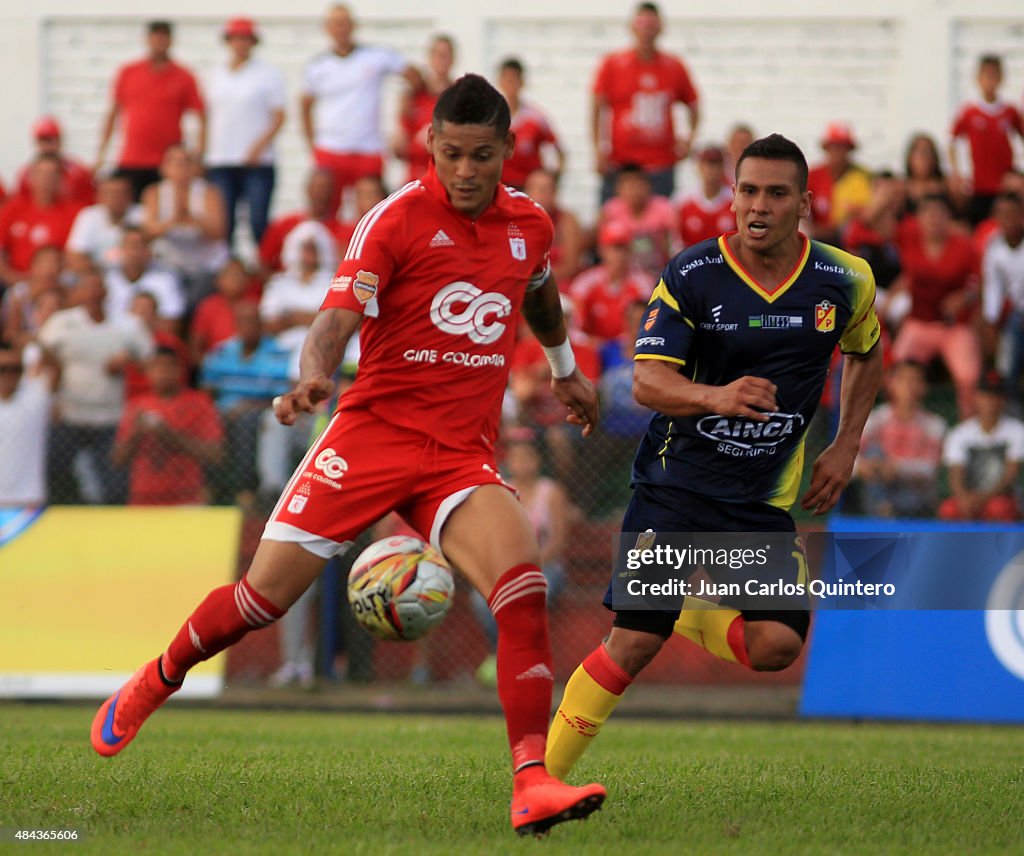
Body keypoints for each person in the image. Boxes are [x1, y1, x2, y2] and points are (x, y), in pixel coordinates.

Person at [90, 73, 606, 837]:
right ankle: (156, 677)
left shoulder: (529, 224)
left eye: (483, 156)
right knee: (260, 602)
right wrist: (314, 375)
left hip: (459, 455)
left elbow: (537, 290)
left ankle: (530, 782)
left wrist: (564, 369)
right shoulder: (393, 220)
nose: (466, 171)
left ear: (507, 153)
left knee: (522, 583)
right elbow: (337, 316)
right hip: (370, 439)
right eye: (453, 154)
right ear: (429, 145)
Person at [545, 134, 882, 780]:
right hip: (676, 485)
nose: (759, 206)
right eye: (748, 191)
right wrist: (713, 396)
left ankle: (690, 613)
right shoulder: (693, 275)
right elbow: (646, 381)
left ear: (804, 203)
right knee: (635, 641)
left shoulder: (844, 279)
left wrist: (845, 444)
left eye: (776, 194)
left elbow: (867, 351)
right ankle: (540, 782)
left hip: (758, 499)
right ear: (731, 198)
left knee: (778, 644)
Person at [38, 268, 154, 504]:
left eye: (97, 286)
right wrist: (52, 397)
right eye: (87, 287)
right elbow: (42, 357)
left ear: (107, 292)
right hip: (69, 414)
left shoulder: (127, 325)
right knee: (57, 475)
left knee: (113, 484)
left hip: (110, 417)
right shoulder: (62, 323)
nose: (93, 292)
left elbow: (152, 361)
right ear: (78, 292)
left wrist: (127, 362)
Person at [301, 4, 423, 218]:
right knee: (326, 213)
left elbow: (414, 78)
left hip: (368, 148)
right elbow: (305, 105)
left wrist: (404, 115)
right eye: (336, 24)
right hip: (331, 148)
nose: (341, 29)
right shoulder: (317, 66)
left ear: (354, 26)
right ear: (327, 29)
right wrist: (313, 144)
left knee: (373, 212)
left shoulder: (376, 56)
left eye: (345, 23)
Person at [592, 2, 700, 202]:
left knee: (659, 223)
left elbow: (693, 105)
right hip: (621, 163)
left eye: (652, 24)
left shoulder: (674, 66)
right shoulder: (613, 65)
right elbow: (597, 107)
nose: (646, 30)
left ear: (660, 28)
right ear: (632, 27)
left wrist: (689, 139)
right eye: (642, 23)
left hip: (660, 164)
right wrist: (598, 149)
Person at [890, 193, 981, 418]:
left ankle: (966, 427)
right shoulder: (908, 237)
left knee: (968, 376)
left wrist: (964, 297)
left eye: (939, 215)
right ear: (918, 219)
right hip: (919, 322)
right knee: (897, 371)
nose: (933, 220)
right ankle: (899, 425)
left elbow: (978, 283)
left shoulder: (964, 246)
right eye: (928, 215)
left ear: (949, 218)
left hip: (953, 326)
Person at [97, 20, 206, 201]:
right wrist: (101, 154)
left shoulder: (184, 76)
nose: (159, 41)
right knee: (129, 212)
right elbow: (113, 114)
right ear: (147, 39)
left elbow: (202, 118)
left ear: (171, 40)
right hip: (132, 158)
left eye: (164, 36)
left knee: (165, 210)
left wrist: (198, 157)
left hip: (167, 164)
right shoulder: (128, 72)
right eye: (156, 36)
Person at [205, 17, 287, 250]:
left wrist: (259, 146)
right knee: (224, 224)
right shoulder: (216, 73)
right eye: (236, 38)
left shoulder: (268, 74)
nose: (241, 44)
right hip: (221, 158)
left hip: (257, 161)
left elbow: (279, 116)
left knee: (258, 223)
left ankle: (262, 273)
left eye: (245, 39)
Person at [113, 346, 224, 506]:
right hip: (143, 499)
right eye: (157, 366)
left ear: (180, 370)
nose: (163, 373)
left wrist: (167, 434)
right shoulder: (136, 406)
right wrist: (137, 433)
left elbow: (215, 454)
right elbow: (118, 459)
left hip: (187, 497)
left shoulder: (199, 403)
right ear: (148, 371)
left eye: (169, 366)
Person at [141, 144, 229, 313]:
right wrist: (173, 221)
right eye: (175, 163)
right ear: (164, 168)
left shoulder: (209, 192)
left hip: (205, 265)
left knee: (198, 297)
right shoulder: (154, 193)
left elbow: (219, 232)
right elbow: (148, 233)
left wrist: (193, 219)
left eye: (186, 163)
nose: (181, 169)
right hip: (168, 264)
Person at [852, 361, 947, 518]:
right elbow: (848, 459)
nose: (908, 386)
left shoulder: (934, 425)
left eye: (914, 380)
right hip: (879, 486)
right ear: (891, 384)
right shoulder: (876, 420)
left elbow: (930, 469)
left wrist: (898, 469)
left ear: (923, 387)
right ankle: (884, 510)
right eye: (902, 380)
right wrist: (864, 467)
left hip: (914, 494)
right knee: (873, 452)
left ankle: (887, 513)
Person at [938, 369, 1024, 522]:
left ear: (1004, 399)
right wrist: (963, 498)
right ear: (976, 398)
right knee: (949, 509)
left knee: (999, 509)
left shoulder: (1017, 431)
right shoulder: (960, 433)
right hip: (967, 496)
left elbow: (1011, 474)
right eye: (986, 395)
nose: (991, 401)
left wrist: (982, 498)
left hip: (1001, 497)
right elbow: (955, 473)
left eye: (996, 395)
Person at [949, 55, 1024, 227]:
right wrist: (957, 173)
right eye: (986, 75)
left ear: (1001, 78)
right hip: (978, 187)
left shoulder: (1010, 111)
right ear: (978, 78)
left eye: (995, 75)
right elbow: (952, 141)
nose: (990, 80)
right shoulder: (969, 112)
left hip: (1004, 188)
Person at [0, 154, 83, 286]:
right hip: (14, 281)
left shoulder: (74, 212)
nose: (46, 179)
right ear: (31, 177)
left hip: (57, 283)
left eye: (51, 174)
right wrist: (11, 278)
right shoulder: (12, 208)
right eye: (41, 173)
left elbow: (74, 257)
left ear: (60, 179)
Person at [568, 220, 653, 344]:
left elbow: (650, 324)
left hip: (629, 349)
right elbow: (573, 328)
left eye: (624, 248)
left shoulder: (643, 284)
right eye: (614, 248)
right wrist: (596, 344)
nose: (620, 254)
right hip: (594, 350)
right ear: (602, 250)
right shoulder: (584, 284)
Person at [258, 169, 348, 275]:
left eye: (326, 188)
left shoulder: (346, 232)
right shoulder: (282, 225)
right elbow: (263, 263)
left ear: (334, 193)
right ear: (307, 189)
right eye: (317, 188)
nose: (321, 193)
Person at [394, 34, 456, 184]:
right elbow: (399, 147)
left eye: (446, 55)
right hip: (417, 179)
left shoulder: (459, 96)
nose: (442, 59)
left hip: (448, 180)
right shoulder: (414, 96)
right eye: (438, 54)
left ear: (453, 59)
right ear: (430, 58)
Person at [0, 340, 55, 507]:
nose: (9, 375)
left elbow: (55, 369)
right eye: (3, 369)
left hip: (28, 500)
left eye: (16, 369)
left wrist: (36, 341)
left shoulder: (34, 400)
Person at [980, 191, 1024, 401]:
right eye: (1001, 214)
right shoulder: (994, 244)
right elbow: (993, 286)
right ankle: (1012, 409)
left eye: (1012, 214)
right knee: (1006, 363)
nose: (1007, 219)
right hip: (1018, 314)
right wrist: (991, 320)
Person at [496, 58, 565, 190]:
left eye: (514, 79)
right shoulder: (491, 118)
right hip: (498, 188)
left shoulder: (535, 118)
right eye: (507, 79)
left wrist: (551, 181)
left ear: (522, 82)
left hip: (526, 189)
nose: (511, 84)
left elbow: (558, 152)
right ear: (500, 82)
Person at [104, 226, 186, 335]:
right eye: (131, 246)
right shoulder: (107, 279)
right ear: (121, 249)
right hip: (113, 339)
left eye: (141, 246)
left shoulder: (165, 279)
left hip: (152, 340)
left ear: (150, 250)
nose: (135, 252)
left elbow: (171, 325)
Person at [599, 163, 676, 277]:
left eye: (638, 183)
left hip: (659, 270)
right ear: (618, 188)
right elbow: (604, 248)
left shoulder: (664, 208)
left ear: (648, 186)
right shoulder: (610, 211)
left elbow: (674, 244)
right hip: (625, 274)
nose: (634, 189)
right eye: (628, 185)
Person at [806, 122, 873, 244]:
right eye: (835, 146)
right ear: (827, 148)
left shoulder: (862, 176)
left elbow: (864, 214)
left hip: (847, 238)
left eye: (844, 147)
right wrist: (811, 230)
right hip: (815, 237)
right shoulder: (813, 175)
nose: (839, 152)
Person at [65, 171, 142, 274]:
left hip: (133, 274)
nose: (115, 198)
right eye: (110, 193)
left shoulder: (142, 215)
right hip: (97, 275)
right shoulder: (88, 216)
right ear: (99, 196)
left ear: (131, 196)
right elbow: (75, 254)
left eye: (120, 193)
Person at [15, 116, 95, 207]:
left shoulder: (78, 172)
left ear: (59, 140)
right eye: (43, 140)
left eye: (50, 140)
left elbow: (90, 202)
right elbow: (21, 204)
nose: (47, 146)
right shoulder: (26, 175)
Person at [523, 169, 585, 285]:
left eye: (546, 189)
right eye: (535, 189)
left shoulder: (567, 220)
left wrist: (533, 279)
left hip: (559, 285)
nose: (540, 195)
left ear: (555, 192)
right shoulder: (517, 223)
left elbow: (571, 266)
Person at [676, 145, 736, 247]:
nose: (711, 170)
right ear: (699, 167)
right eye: (706, 164)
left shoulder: (734, 201)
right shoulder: (682, 201)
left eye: (715, 165)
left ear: (723, 168)